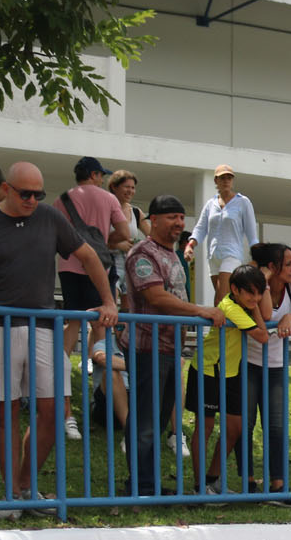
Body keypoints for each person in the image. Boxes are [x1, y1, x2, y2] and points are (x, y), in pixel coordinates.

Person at [0, 162, 117, 516]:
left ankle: (27, 488)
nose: (32, 200)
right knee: (6, 412)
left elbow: (89, 256)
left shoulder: (50, 217)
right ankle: (12, 494)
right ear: (5, 189)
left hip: (44, 325)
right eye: (24, 193)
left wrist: (108, 301)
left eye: (38, 194)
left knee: (53, 410)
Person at [119, 194, 224, 496]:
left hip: (168, 349)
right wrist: (201, 310)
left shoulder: (173, 255)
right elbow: (155, 297)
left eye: (181, 217)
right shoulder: (143, 253)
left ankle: (148, 484)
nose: (179, 223)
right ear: (153, 220)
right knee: (146, 421)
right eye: (172, 217)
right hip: (145, 347)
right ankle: (140, 487)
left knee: (160, 418)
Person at [56, 155, 128, 441]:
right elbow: (123, 232)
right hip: (101, 267)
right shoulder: (109, 199)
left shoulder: (62, 199)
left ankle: (60, 392)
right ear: (95, 175)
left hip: (70, 267)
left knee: (71, 325)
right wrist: (101, 240)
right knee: (102, 325)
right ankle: (103, 392)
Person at [184, 264, 271, 493]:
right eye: (251, 292)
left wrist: (254, 307)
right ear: (235, 289)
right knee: (206, 427)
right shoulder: (229, 307)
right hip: (207, 371)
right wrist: (256, 309)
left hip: (231, 374)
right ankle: (199, 486)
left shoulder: (244, 308)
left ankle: (212, 479)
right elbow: (263, 336)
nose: (256, 297)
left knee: (235, 428)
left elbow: (263, 334)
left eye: (259, 292)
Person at [238, 241, 291, 501]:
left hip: (276, 364)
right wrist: (266, 282)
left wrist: (289, 317)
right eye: (289, 264)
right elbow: (267, 311)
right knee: (245, 424)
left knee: (277, 426)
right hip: (248, 363)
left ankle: (278, 483)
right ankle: (247, 481)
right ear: (272, 266)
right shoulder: (255, 284)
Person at [183, 164, 258, 305]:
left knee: (219, 299)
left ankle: (217, 327)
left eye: (229, 178)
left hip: (232, 255)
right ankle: (236, 324)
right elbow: (200, 228)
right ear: (216, 181)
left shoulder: (243, 202)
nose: (226, 181)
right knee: (228, 301)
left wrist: (257, 258)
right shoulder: (210, 203)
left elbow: (251, 233)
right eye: (222, 178)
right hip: (213, 256)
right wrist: (190, 245)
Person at [106, 168, 150, 300]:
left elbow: (152, 237)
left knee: (130, 306)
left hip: (130, 263)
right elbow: (95, 239)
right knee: (111, 301)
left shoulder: (136, 212)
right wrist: (117, 245)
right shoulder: (105, 209)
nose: (130, 191)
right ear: (114, 187)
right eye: (126, 187)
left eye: (133, 187)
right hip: (110, 263)